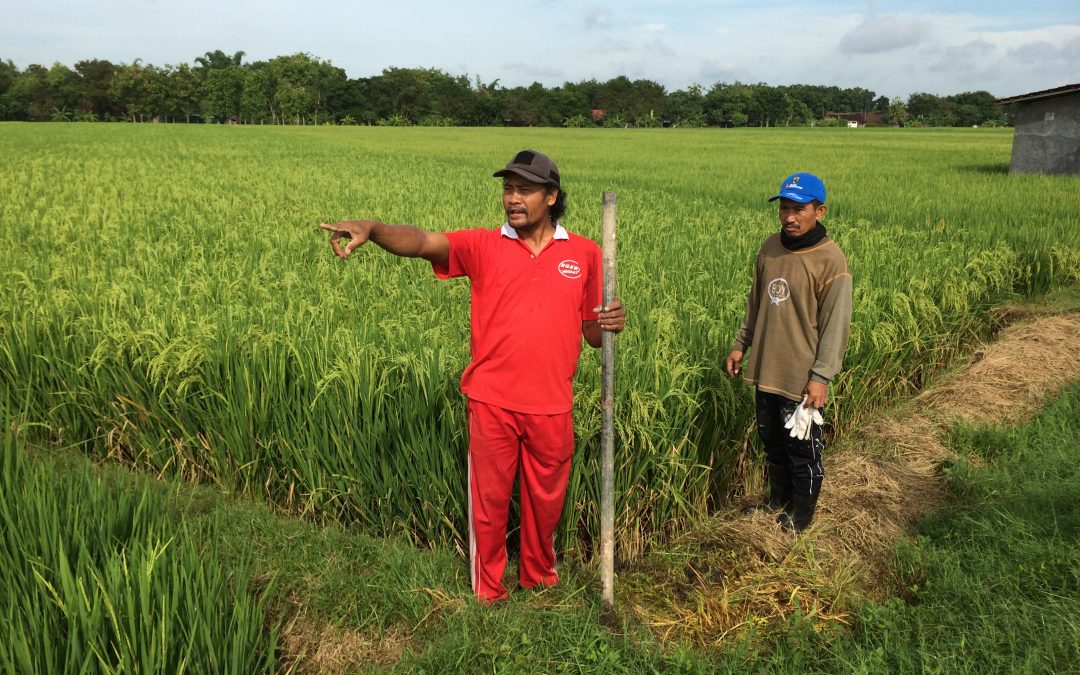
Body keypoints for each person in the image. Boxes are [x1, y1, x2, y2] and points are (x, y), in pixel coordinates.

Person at [319, 150, 625, 604]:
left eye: (524, 190)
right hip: (491, 401)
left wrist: (610, 321)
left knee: (546, 503)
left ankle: (538, 578)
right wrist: (374, 229)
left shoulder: (584, 253)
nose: (512, 198)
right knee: (489, 503)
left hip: (552, 403)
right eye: (508, 189)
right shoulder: (483, 245)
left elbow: (593, 335)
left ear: (551, 196)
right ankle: (489, 590)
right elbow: (422, 242)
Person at [725, 172, 852, 532]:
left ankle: (801, 514)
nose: (789, 217)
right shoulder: (770, 248)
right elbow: (756, 302)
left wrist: (821, 377)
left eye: (799, 209)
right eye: (784, 208)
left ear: (819, 211)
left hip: (801, 377)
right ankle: (777, 500)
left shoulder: (831, 260)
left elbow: (836, 325)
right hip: (766, 368)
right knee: (773, 443)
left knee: (802, 450)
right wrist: (741, 344)